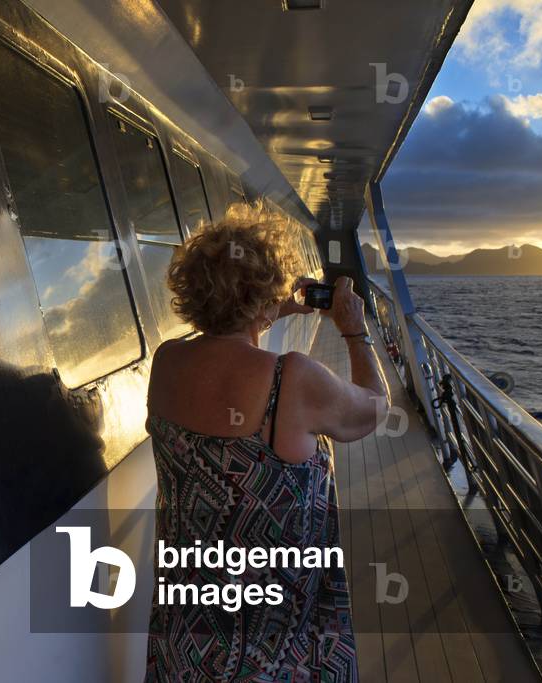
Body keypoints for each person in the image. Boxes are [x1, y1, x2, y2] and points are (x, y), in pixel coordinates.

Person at [144, 203, 390, 683]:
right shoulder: (291, 379)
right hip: (272, 647)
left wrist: (275, 306)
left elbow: (226, 342)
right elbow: (375, 408)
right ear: (263, 299)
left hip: (190, 630)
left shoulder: (166, 361)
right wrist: (355, 332)